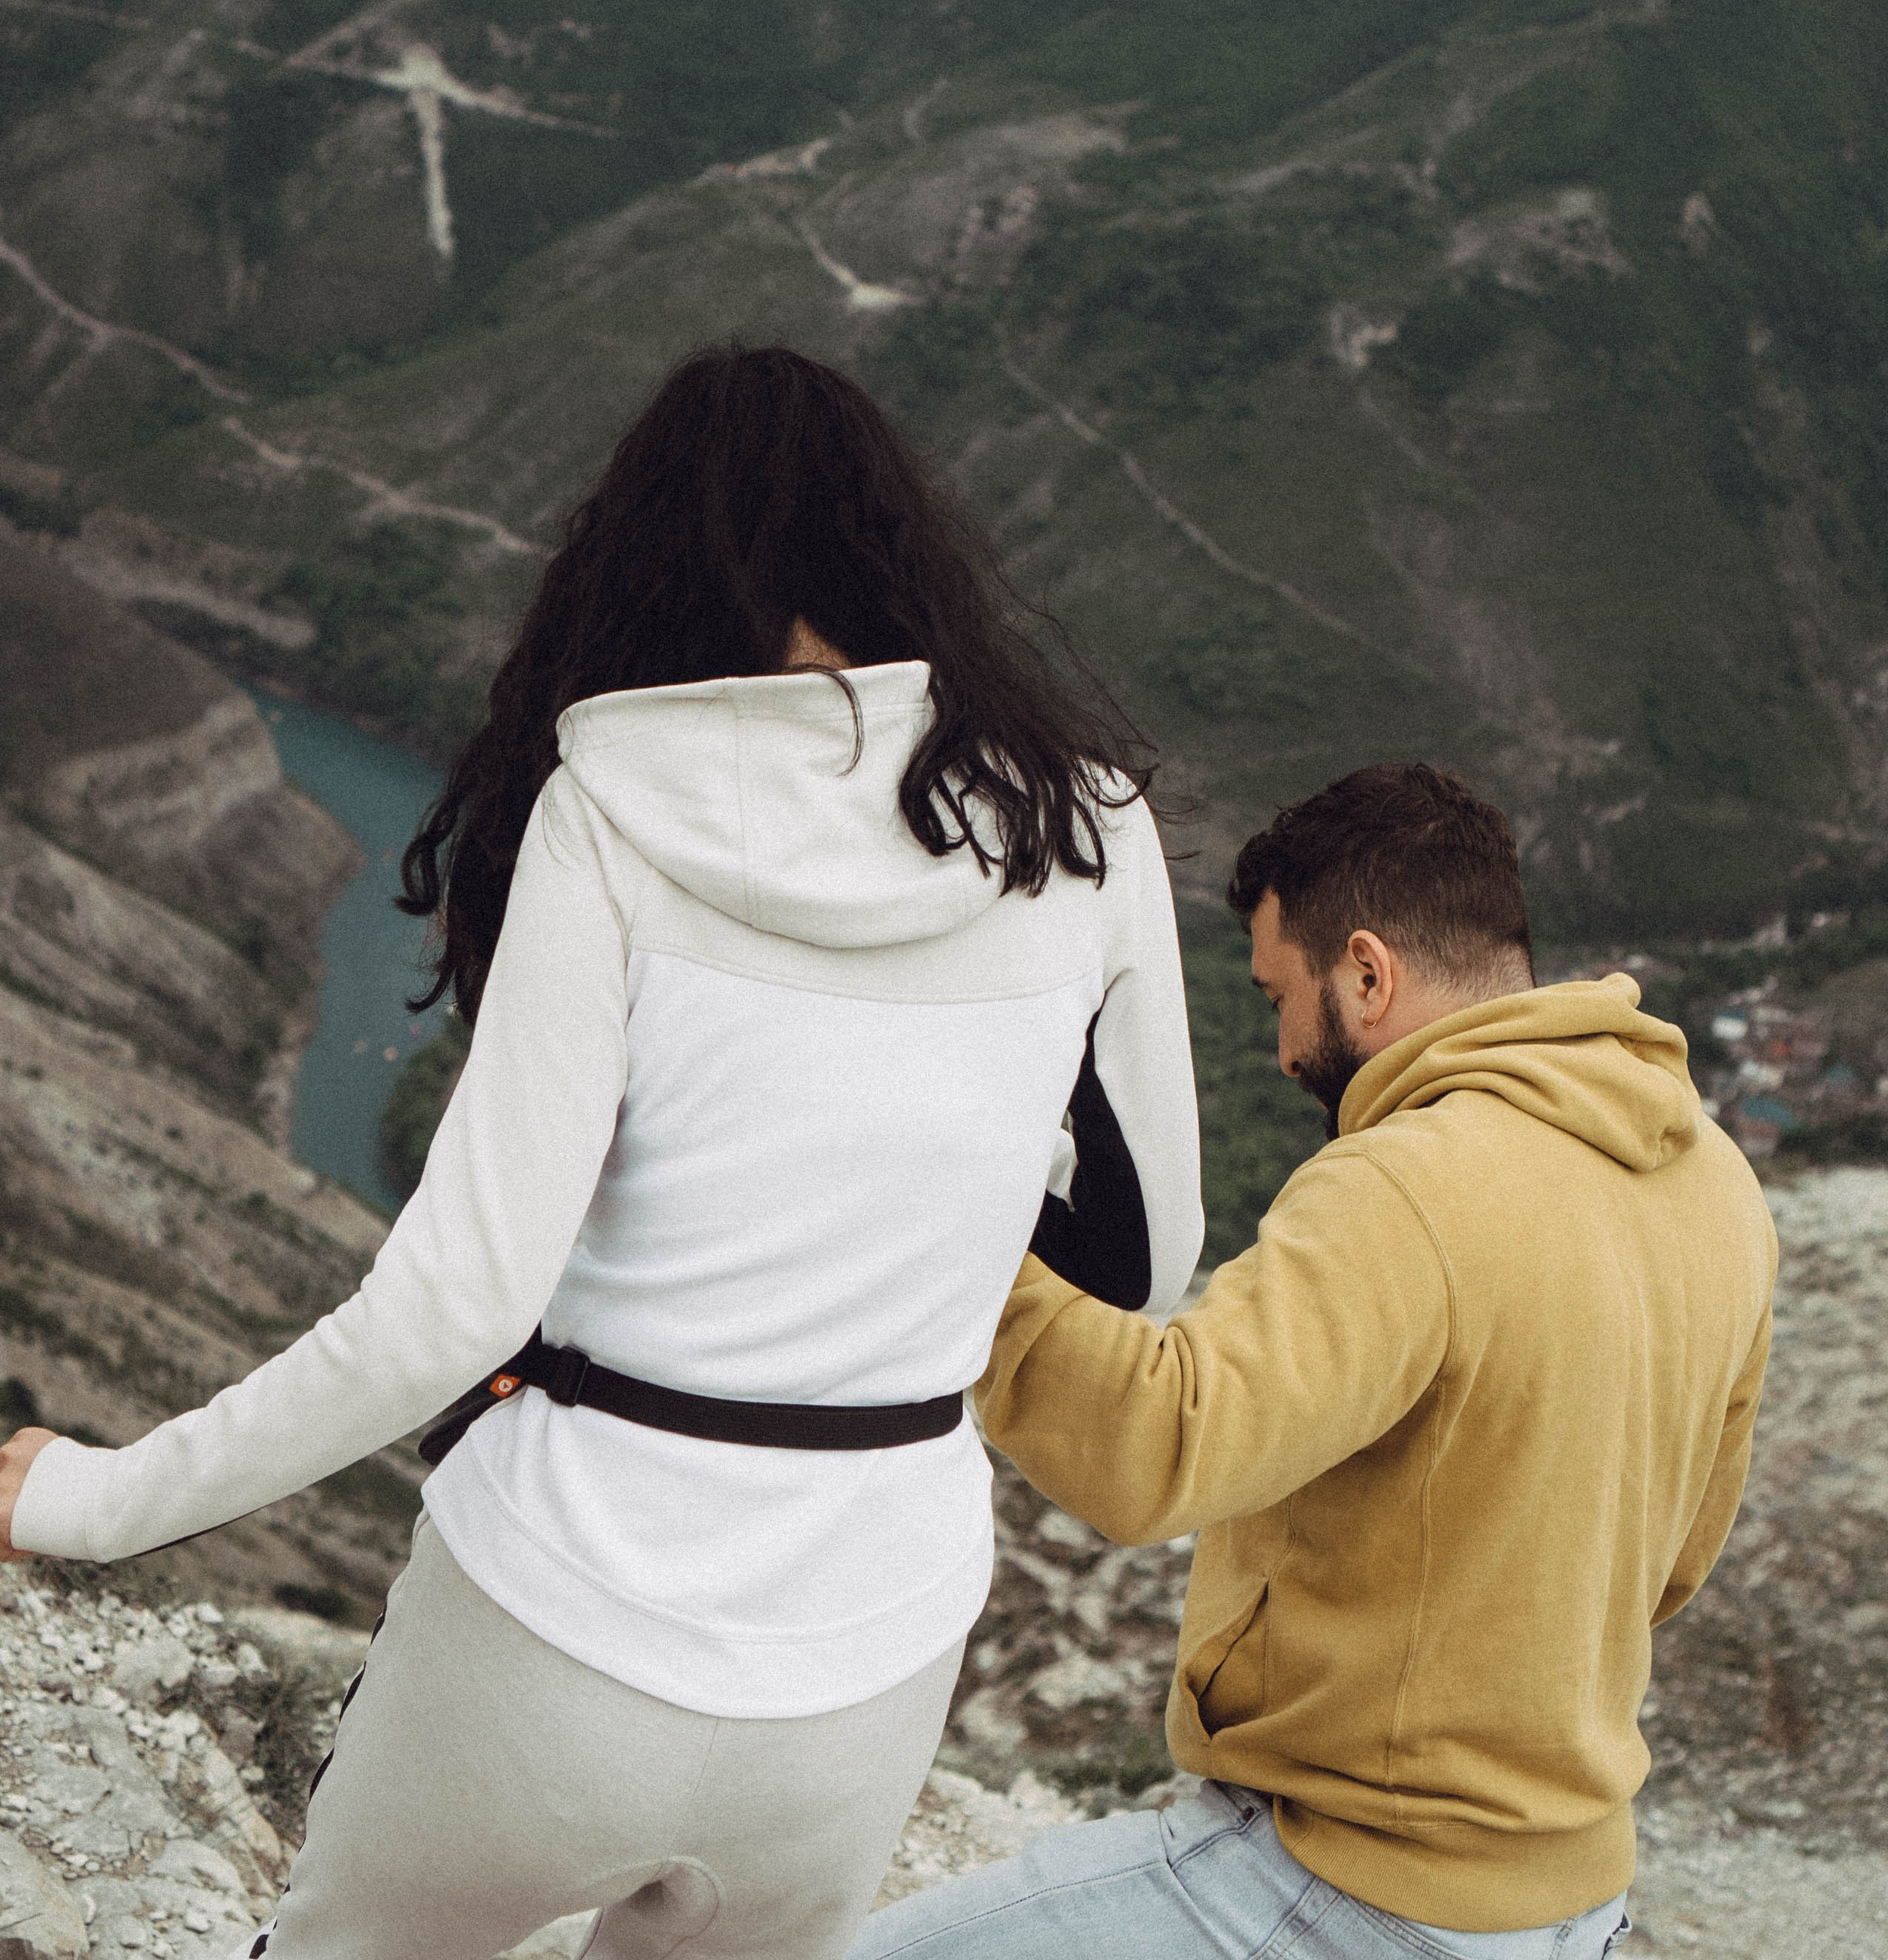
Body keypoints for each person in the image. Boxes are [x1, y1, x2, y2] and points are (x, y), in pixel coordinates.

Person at [0, 344, 1202, 1960]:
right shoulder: (1087, 826)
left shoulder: (607, 811)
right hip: (868, 1657)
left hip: (557, 1634)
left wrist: (85, 1498)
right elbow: (1144, 1255)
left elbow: (451, 1312)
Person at [853, 763, 1776, 1960]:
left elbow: (1159, 1447)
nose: (1285, 1048)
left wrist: (950, 1233)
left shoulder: (1408, 1185)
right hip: (1566, 1906)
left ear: (1369, 973)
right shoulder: (1717, 1182)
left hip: (1349, 1889)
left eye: (1280, 994)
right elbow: (1676, 1557)